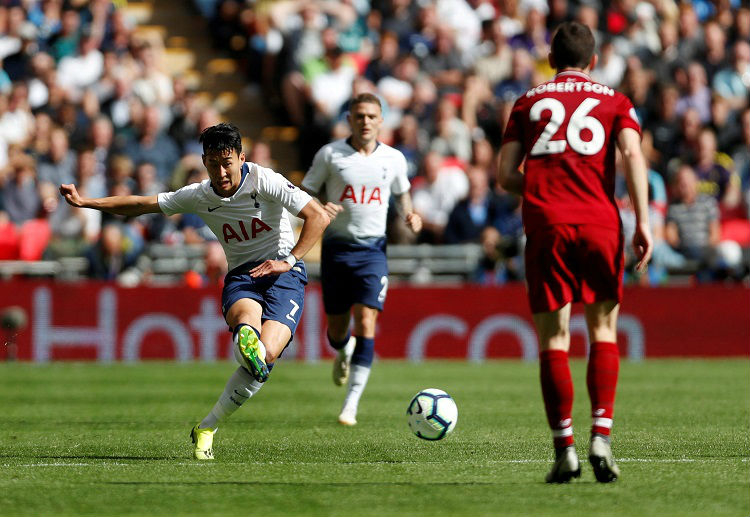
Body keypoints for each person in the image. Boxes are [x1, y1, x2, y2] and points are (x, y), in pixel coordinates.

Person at [59, 123, 329, 459]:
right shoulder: (200, 195)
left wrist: (288, 261)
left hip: (283, 274)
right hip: (243, 276)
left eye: (227, 162)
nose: (220, 172)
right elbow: (141, 203)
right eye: (213, 164)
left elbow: (317, 215)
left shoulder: (267, 181)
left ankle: (208, 425)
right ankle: (244, 337)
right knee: (247, 322)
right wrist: (86, 202)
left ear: (241, 158)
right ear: (204, 161)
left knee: (264, 358)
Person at [497, 22, 653, 483]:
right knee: (603, 329)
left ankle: (564, 449)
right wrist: (643, 221)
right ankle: (601, 436)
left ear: (551, 58)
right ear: (595, 60)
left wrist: (547, 186)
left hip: (548, 222)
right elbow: (632, 155)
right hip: (601, 221)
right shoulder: (616, 102)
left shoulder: (527, 102)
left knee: (554, 339)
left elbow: (506, 175)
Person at [301, 93, 422, 426]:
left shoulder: (394, 159)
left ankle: (351, 404)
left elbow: (402, 193)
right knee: (337, 332)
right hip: (337, 250)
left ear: (381, 120)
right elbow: (306, 191)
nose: (365, 121)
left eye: (371, 116)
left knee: (367, 321)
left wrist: (411, 215)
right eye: (359, 116)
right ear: (350, 120)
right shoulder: (331, 155)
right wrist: (319, 208)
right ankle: (344, 349)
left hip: (373, 252)